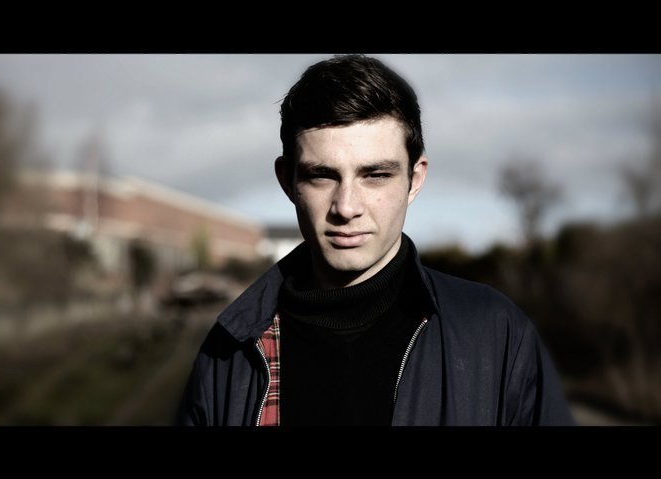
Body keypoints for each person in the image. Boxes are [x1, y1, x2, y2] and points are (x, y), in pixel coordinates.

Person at [176, 54, 574, 426]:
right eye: (322, 176)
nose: (346, 207)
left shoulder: (497, 334)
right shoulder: (230, 349)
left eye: (376, 175)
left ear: (414, 179)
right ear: (288, 181)